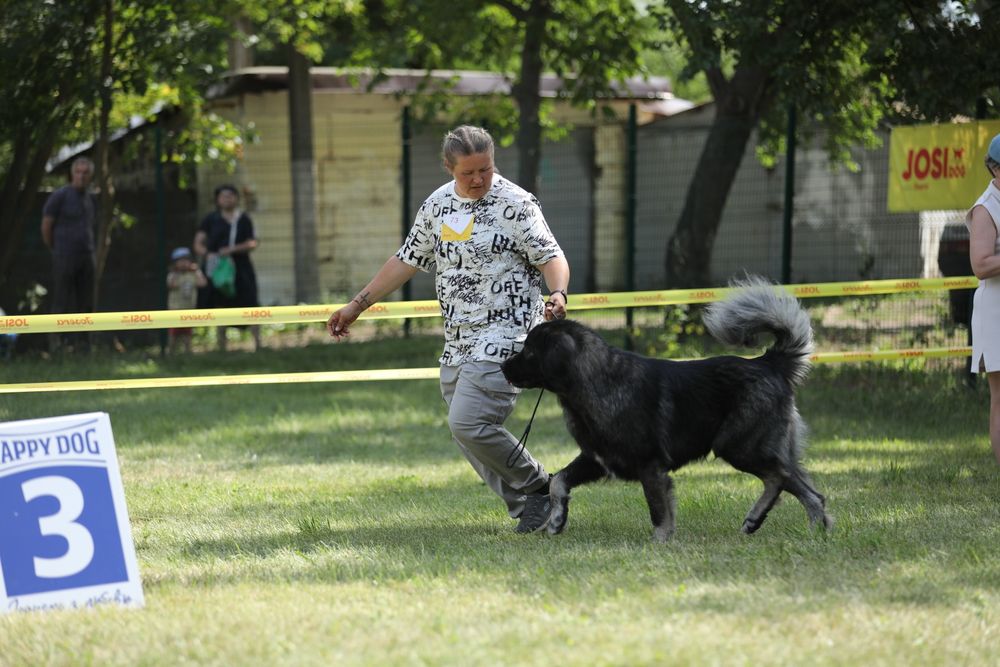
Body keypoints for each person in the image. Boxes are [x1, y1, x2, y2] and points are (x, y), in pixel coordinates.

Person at [326, 125, 571, 533]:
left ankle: (542, 488)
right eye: (467, 173)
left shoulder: (516, 203)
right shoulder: (437, 206)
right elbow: (405, 260)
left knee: (468, 422)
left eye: (485, 170)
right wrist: (357, 305)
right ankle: (531, 504)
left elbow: (551, 255)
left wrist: (559, 292)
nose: (478, 180)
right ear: (448, 168)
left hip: (507, 334)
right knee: (467, 433)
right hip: (458, 340)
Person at [194, 184, 262, 351]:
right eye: (223, 196)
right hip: (218, 269)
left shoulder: (243, 219)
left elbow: (252, 242)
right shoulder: (211, 219)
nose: (227, 199)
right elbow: (198, 244)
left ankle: (258, 344)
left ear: (236, 198)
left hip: (241, 267)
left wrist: (232, 250)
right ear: (217, 199)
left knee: (251, 301)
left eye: (230, 195)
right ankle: (222, 346)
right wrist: (208, 254)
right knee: (220, 304)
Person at [40, 156, 97, 352]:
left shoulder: (90, 198)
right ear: (72, 174)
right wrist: (56, 249)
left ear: (91, 175)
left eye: (85, 172)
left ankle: (83, 345)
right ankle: (57, 346)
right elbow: (46, 226)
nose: (81, 176)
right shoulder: (60, 196)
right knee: (61, 300)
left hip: (86, 255)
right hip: (64, 255)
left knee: (85, 302)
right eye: (78, 172)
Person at [967, 132, 1000, 464]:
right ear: (995, 169)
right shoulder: (985, 208)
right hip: (996, 313)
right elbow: (981, 264)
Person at [166, 246, 208, 354]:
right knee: (173, 335)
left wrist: (197, 270)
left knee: (187, 336)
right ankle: (170, 354)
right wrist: (176, 272)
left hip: (189, 310)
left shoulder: (193, 275)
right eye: (180, 261)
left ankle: (188, 355)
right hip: (175, 310)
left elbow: (203, 283)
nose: (184, 263)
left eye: (186, 260)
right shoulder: (173, 275)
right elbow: (171, 285)